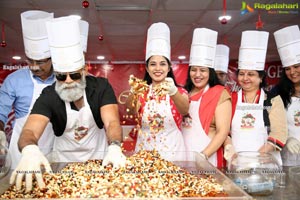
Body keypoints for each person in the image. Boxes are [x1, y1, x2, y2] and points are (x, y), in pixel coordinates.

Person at [9, 16, 126, 192]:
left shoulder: (101, 87)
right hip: (62, 168)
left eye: (75, 75)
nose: (69, 81)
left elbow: (112, 122)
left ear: (84, 71)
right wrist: (30, 149)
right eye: (62, 76)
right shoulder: (49, 94)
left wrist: (115, 146)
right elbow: (30, 130)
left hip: (99, 164)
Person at [0, 10, 56, 169]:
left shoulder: (63, 80)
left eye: (41, 62)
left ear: (52, 59)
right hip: (22, 152)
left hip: (53, 147)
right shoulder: (15, 79)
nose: (34, 66)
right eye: (30, 61)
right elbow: (1, 111)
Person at [126, 22, 189, 161]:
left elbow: (185, 110)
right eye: (153, 64)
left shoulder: (179, 91)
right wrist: (133, 93)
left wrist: (173, 92)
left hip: (173, 152)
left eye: (162, 64)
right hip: (145, 153)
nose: (158, 68)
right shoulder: (142, 92)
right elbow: (130, 111)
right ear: (147, 69)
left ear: (168, 68)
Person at [223, 30, 288, 166]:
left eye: (251, 74)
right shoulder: (231, 97)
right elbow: (224, 130)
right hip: (236, 163)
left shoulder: (272, 100)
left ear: (261, 77)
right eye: (242, 74)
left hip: (265, 163)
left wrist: (257, 158)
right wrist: (230, 148)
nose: (245, 78)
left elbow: (279, 132)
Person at [182, 28, 231, 168]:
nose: (197, 75)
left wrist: (203, 155)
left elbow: (223, 131)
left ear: (210, 72)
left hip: (209, 158)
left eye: (202, 70)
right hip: (183, 155)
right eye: (193, 69)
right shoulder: (184, 93)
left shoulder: (220, 93)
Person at [273, 25, 300, 166]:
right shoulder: (279, 94)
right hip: (288, 158)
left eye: (296, 66)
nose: (292, 72)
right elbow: (273, 125)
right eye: (288, 69)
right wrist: (288, 138)